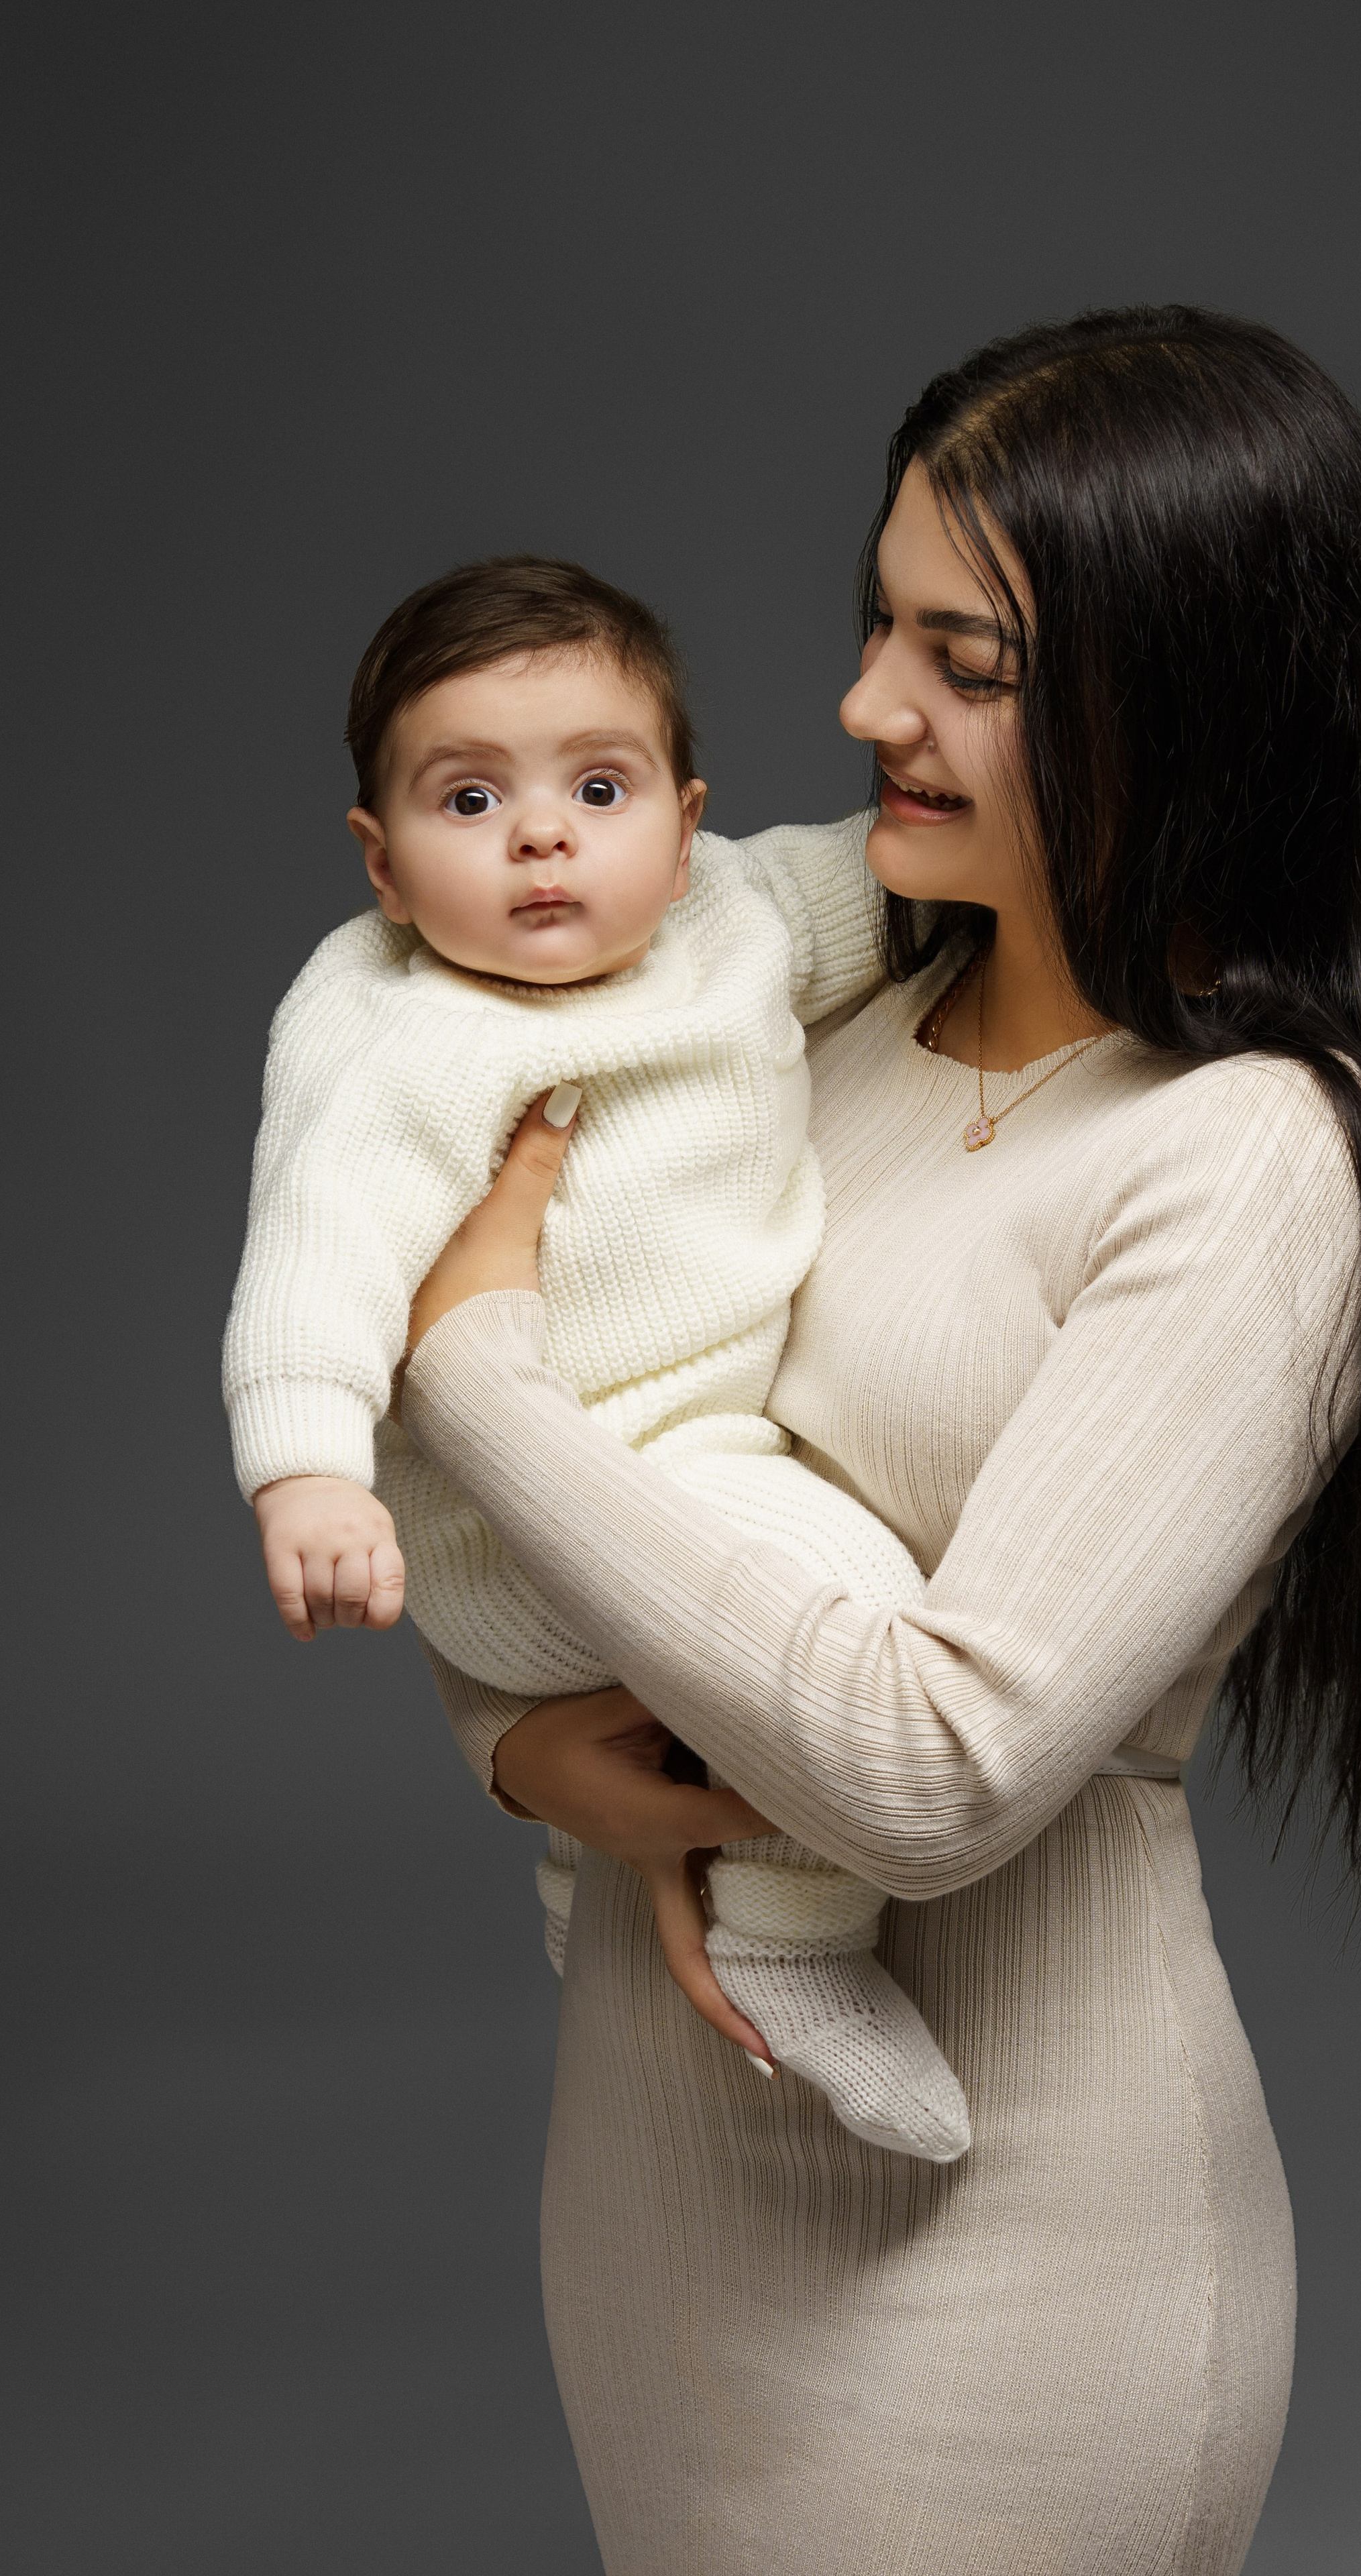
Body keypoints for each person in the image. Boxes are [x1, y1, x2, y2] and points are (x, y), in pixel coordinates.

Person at [394, 307, 1361, 2575]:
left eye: (966, 657)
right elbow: (646, 1507)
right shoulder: (842, 1021)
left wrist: (473, 1377)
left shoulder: (1253, 1155)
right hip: (662, 2201)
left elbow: (936, 1765)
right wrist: (520, 1752)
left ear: (1182, 692)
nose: (871, 701)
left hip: (1001, 2240)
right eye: (881, 622)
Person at [223, 555, 971, 2161]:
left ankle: (593, 1889)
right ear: (380, 864)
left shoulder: (732, 920)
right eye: (471, 799)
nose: (542, 836)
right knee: (853, 1625)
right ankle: (788, 1940)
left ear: (687, 824)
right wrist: (305, 1473)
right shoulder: (397, 1033)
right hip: (522, 1518)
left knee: (769, 1629)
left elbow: (908, 876)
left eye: (599, 786)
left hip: (698, 1455)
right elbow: (316, 1249)